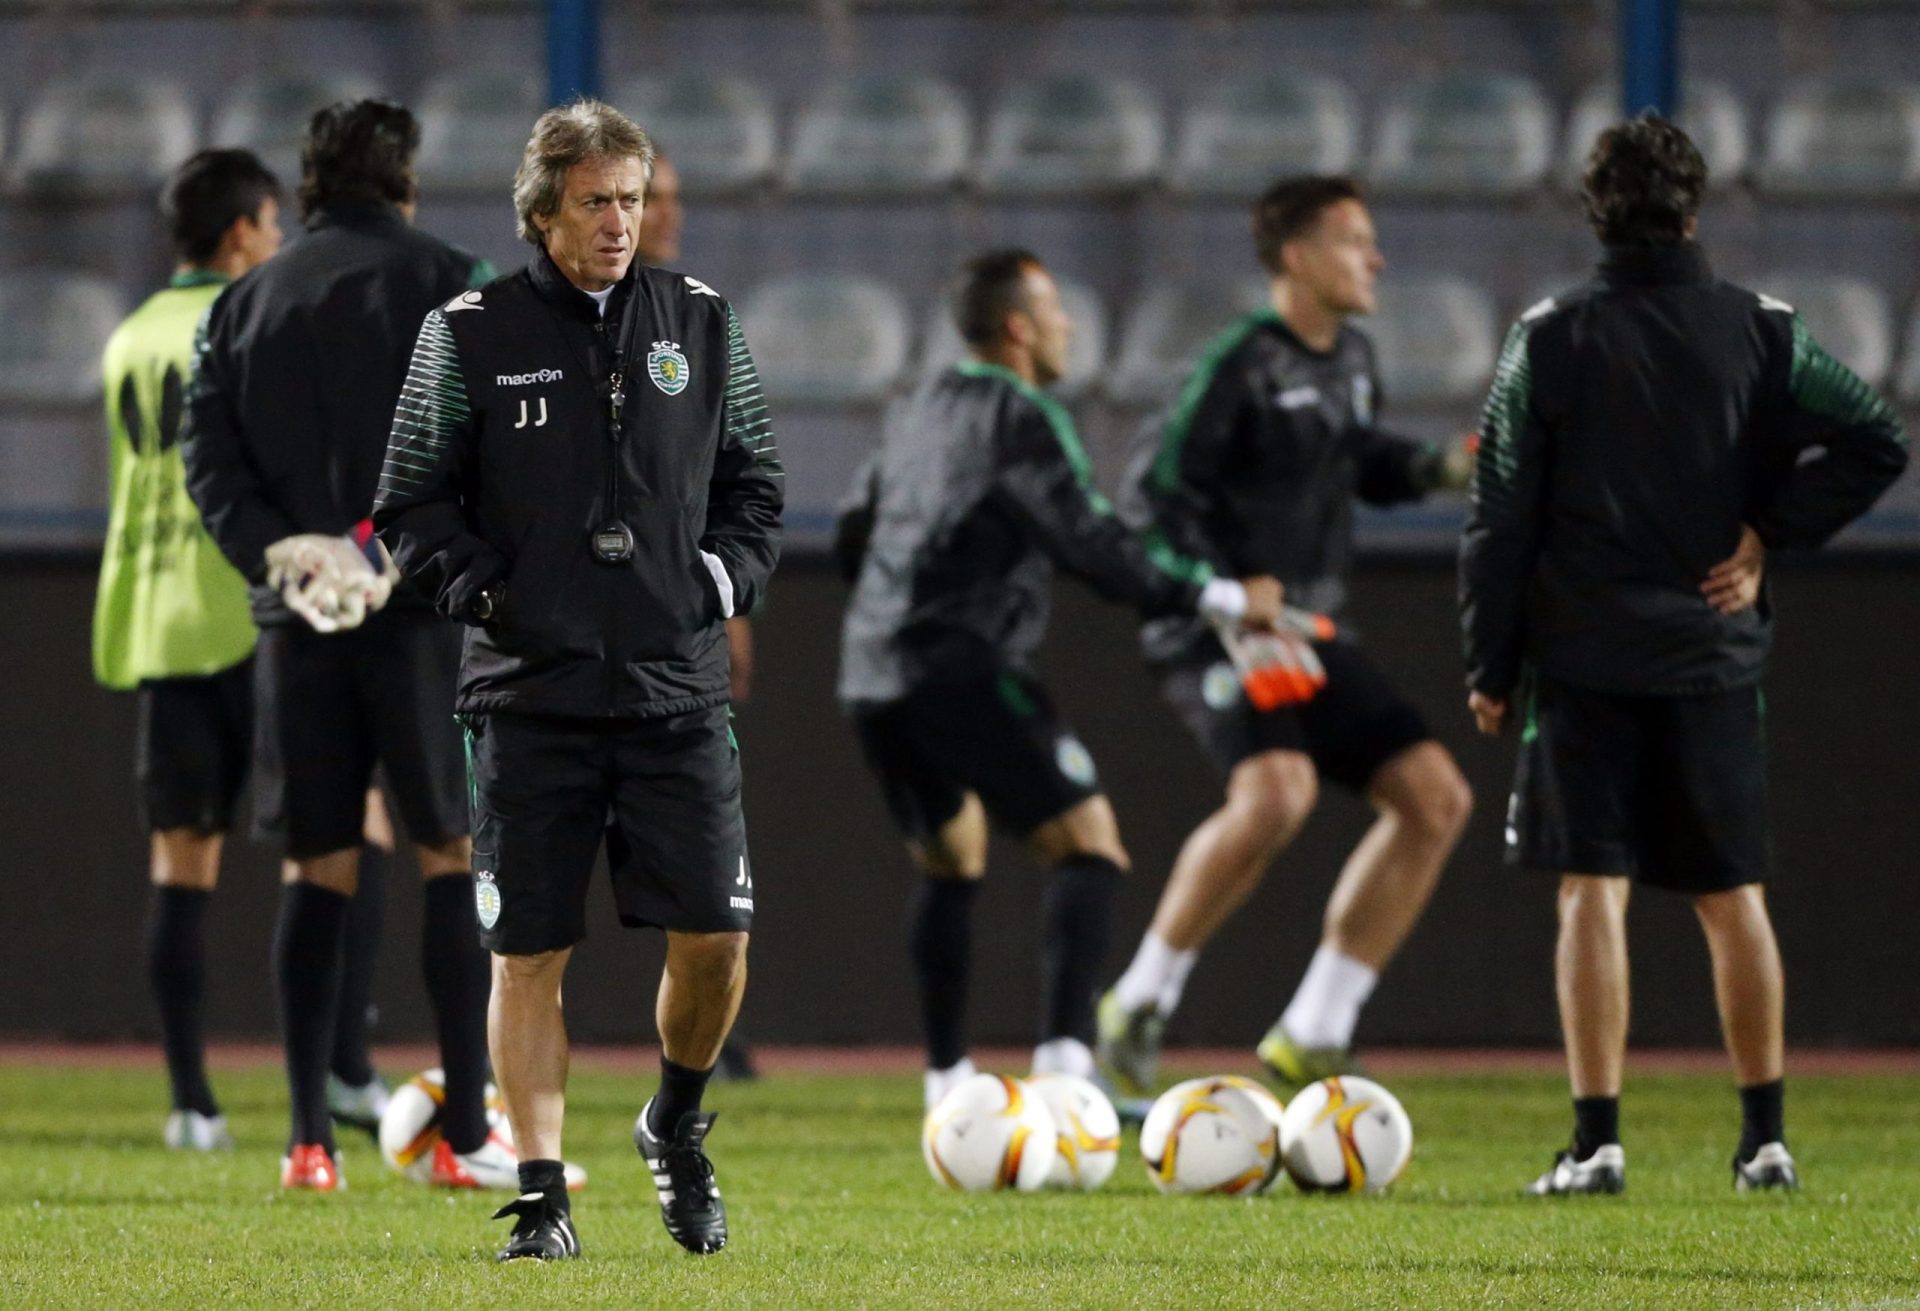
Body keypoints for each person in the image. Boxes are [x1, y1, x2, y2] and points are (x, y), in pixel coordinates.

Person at [1460, 114, 1906, 1195]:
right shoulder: (1762, 330)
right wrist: (1768, 537)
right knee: (1730, 893)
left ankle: (1597, 1140)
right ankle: (1764, 1141)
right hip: (1712, 656)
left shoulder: (1548, 336)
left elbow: (1498, 510)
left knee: (1590, 891)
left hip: (1583, 660)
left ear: (1593, 211)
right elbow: (1877, 436)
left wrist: (1489, 660)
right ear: (1697, 208)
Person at [373, 99, 782, 1262]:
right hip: (526, 696)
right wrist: (493, 597)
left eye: (634, 199)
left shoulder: (700, 323)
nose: (621, 222)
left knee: (716, 937)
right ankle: (543, 1194)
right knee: (527, 954)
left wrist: (713, 585)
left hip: (673, 690)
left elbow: (756, 486)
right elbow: (409, 502)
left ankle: (675, 1122)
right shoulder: (467, 331)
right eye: (598, 201)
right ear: (543, 208)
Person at [837, 249, 1282, 1110]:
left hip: (872, 670)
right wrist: (1216, 595)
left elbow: (857, 526)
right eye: (1055, 311)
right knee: (1090, 845)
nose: (1068, 326)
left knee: (949, 858)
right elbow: (1091, 540)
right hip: (964, 662)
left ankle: (946, 1083)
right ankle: (1068, 1074)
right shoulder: (1023, 416)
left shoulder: (914, 408)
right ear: (1018, 326)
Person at [182, 101, 512, 1192]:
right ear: (405, 180)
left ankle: (307, 1141)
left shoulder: (243, 303)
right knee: (450, 854)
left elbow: (211, 465)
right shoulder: (454, 280)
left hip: (298, 629)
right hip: (419, 622)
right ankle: (467, 1134)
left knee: (316, 864)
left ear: (308, 185)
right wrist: (398, 550)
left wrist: (285, 555)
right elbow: (493, 444)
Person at [1098, 176, 1474, 1093]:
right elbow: (1151, 498)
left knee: (1436, 798)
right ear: (1297, 257)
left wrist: (1442, 467)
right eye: (1354, 240)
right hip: (1218, 625)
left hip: (1305, 623)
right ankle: (1137, 1003)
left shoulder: (1350, 358)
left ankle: (1315, 1029)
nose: (1375, 258)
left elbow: (1360, 462)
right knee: (1278, 792)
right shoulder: (1239, 364)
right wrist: (1224, 589)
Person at [92, 147, 393, 1151]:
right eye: (270, 226)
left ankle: (191, 1104)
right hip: (257, 615)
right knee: (353, 833)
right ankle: (347, 1073)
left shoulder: (129, 336)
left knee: (182, 865)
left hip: (157, 623)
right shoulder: (250, 318)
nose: (278, 243)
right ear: (240, 234)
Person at [635, 143, 757, 1084]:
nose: (656, 216)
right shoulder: (527, 329)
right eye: (639, 199)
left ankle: (703, 1050)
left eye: (661, 199)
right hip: (556, 652)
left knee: (711, 895)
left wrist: (727, 592)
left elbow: (737, 479)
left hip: (677, 645)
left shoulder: (700, 322)